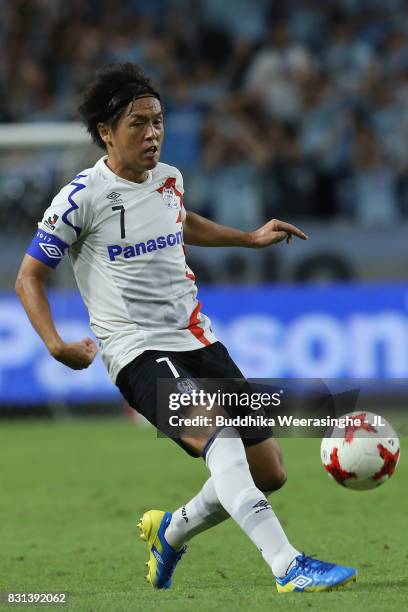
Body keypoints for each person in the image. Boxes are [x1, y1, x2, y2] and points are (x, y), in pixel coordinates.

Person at [15, 62, 356, 593]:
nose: (152, 133)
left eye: (158, 121)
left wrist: (247, 237)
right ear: (106, 132)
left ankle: (171, 530)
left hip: (199, 339)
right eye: (138, 123)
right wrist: (55, 343)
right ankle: (288, 565)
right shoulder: (81, 198)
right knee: (217, 436)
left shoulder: (170, 178)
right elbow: (29, 278)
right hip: (138, 351)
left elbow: (181, 219)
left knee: (270, 472)